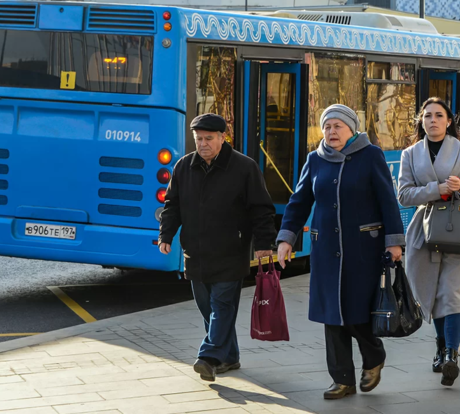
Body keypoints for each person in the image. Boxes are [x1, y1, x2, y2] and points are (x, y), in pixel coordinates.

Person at [276, 104, 405, 400]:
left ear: (352, 129)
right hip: (325, 250)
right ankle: (342, 379)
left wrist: (394, 241)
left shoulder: (370, 155)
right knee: (331, 315)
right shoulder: (315, 159)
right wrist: (286, 238)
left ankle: (373, 356)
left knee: (357, 311)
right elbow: (299, 202)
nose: (332, 132)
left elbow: (387, 200)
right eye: (327, 127)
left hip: (363, 248)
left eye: (338, 126)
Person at [158, 113, 277, 382]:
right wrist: (166, 235)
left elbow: (261, 209)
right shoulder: (183, 167)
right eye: (198, 139)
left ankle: (209, 356)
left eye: (209, 138)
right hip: (196, 254)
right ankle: (230, 357)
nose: (202, 144)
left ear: (223, 138)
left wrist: (263, 243)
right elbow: (172, 205)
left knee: (221, 307)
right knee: (208, 310)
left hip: (230, 252)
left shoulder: (244, 168)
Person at [397, 97, 460, 387]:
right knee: (431, 293)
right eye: (427, 115)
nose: (432, 120)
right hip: (424, 231)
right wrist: (437, 188)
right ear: (421, 120)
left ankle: (451, 355)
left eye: (438, 115)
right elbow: (404, 195)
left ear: (448, 121)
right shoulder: (410, 154)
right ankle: (441, 346)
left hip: (458, 230)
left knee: (453, 295)